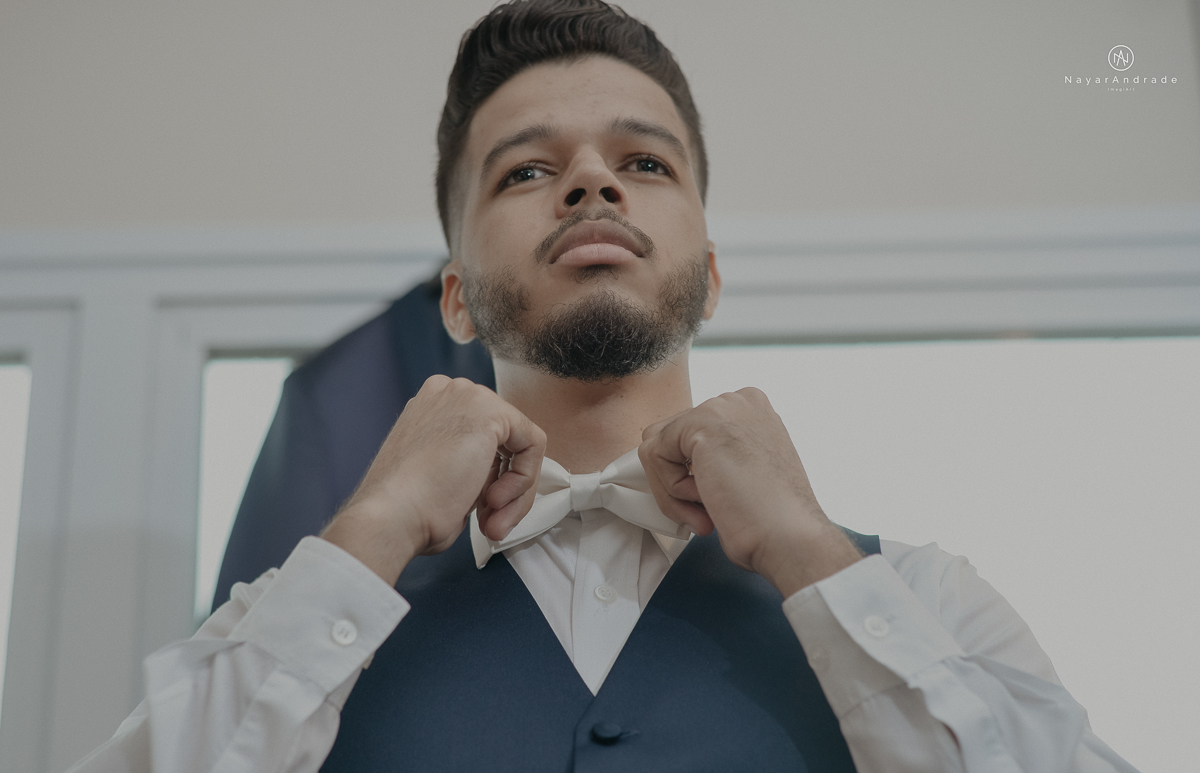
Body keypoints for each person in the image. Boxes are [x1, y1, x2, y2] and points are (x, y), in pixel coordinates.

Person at [70, 1, 1138, 771]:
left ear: (709, 276)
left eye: (648, 162)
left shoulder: (922, 595)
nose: (592, 179)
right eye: (527, 170)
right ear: (454, 300)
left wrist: (813, 555)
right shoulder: (291, 624)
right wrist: (375, 522)